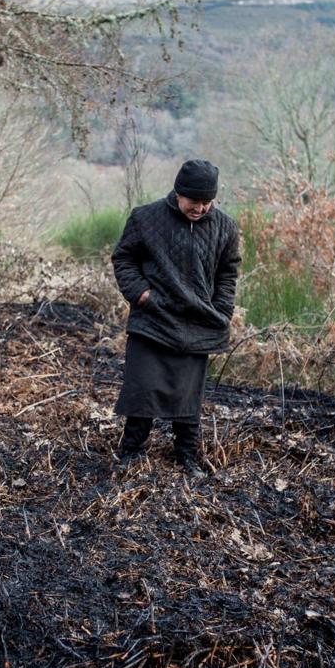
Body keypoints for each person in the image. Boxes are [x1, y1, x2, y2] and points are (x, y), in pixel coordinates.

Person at [110, 159, 241, 476]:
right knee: (143, 387)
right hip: (153, 318)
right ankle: (130, 452)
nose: (200, 208)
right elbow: (124, 258)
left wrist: (222, 309)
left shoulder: (225, 226)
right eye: (194, 200)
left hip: (198, 321)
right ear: (179, 192)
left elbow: (228, 273)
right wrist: (142, 294)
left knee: (188, 393)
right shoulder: (145, 217)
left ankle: (186, 456)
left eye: (206, 202)